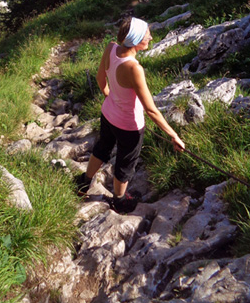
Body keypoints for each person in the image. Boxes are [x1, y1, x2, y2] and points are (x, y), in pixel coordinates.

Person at [77, 15, 185, 213]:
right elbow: (151, 109)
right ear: (136, 41)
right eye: (147, 35)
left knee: (102, 147)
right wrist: (173, 135)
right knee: (125, 163)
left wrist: (111, 98)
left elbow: (101, 79)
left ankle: (84, 183)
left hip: (108, 114)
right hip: (129, 126)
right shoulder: (134, 68)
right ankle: (119, 200)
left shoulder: (110, 48)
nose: (151, 38)